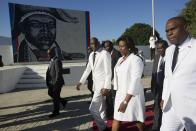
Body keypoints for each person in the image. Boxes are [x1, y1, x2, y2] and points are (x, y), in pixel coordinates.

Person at [11, 4, 85, 62]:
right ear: (23, 28)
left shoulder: (64, 56)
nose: (45, 30)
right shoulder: (18, 57)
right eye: (36, 25)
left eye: (50, 25)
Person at [160, 16, 196, 131]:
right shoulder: (169, 51)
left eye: (173, 29)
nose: (169, 33)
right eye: (167, 31)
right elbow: (168, 77)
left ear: (185, 27)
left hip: (192, 108)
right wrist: (164, 97)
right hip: (170, 106)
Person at [76, 37, 112, 131]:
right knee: (101, 106)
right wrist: (81, 81)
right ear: (90, 45)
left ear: (98, 43)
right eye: (92, 44)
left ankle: (103, 128)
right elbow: (88, 69)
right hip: (95, 85)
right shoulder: (91, 55)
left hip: (102, 86)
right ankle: (104, 120)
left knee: (92, 109)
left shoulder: (105, 54)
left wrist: (106, 87)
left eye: (95, 43)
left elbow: (109, 72)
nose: (94, 45)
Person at [112, 35, 145, 131]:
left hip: (132, 95)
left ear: (129, 46)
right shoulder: (120, 59)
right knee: (117, 118)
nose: (120, 48)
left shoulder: (136, 60)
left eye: (123, 46)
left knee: (137, 119)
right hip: (120, 94)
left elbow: (135, 80)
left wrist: (126, 101)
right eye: (119, 46)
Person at [151, 40, 168, 131]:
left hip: (167, 89)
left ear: (166, 47)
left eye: (161, 48)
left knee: (166, 110)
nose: (159, 50)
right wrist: (152, 86)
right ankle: (156, 127)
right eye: (157, 48)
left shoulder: (171, 57)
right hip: (157, 87)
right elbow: (154, 73)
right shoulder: (157, 57)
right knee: (157, 108)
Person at [46, 47, 67, 118]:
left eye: (49, 53)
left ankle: (56, 112)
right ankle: (63, 101)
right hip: (52, 83)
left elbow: (58, 73)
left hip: (57, 83)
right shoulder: (51, 61)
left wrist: (56, 84)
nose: (48, 55)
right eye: (47, 53)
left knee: (55, 97)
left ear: (53, 53)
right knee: (50, 93)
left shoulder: (57, 60)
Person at [103, 40, 121, 119]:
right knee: (108, 98)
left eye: (108, 46)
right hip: (107, 80)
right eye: (105, 47)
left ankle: (116, 114)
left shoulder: (117, 53)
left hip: (114, 80)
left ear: (111, 46)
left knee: (114, 97)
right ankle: (109, 113)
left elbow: (119, 67)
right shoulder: (105, 54)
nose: (106, 48)